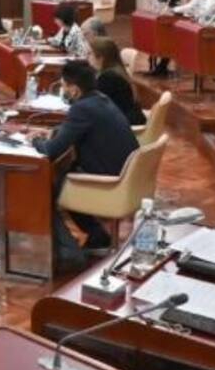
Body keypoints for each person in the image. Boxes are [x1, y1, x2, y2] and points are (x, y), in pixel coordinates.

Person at [32, 61, 139, 264]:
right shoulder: (101, 99)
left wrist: (35, 140)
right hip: (125, 174)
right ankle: (97, 236)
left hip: (112, 182)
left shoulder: (82, 109)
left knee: (51, 185)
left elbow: (51, 151)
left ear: (74, 89)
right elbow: (77, 130)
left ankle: (68, 252)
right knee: (64, 173)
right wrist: (56, 133)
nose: (63, 90)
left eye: (64, 86)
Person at [86, 35, 145, 125]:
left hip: (121, 125)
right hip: (125, 119)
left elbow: (95, 105)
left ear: (101, 58)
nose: (87, 57)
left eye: (89, 53)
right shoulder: (115, 71)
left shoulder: (109, 77)